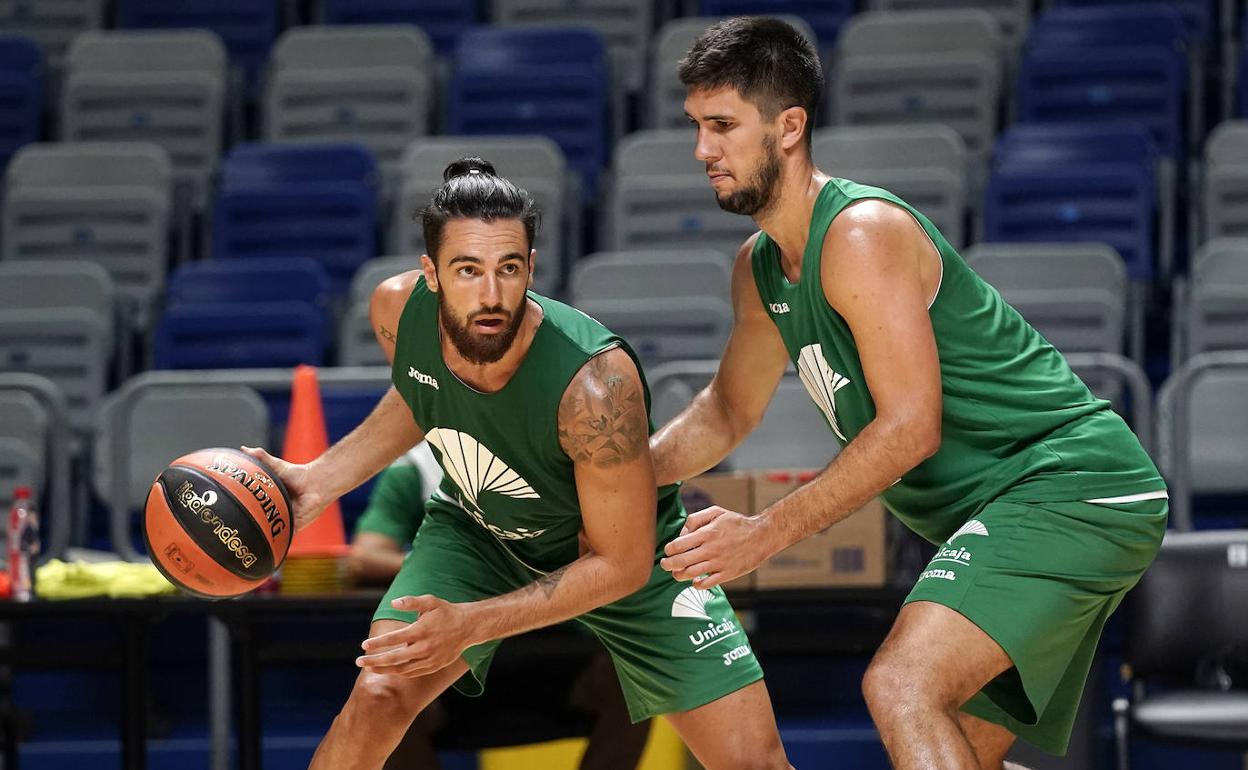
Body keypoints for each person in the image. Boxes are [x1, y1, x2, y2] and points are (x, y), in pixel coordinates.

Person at [651, 16, 1168, 770]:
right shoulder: (759, 268)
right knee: (951, 742)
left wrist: (763, 534)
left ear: (789, 126)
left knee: (902, 685)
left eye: (723, 126)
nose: (703, 150)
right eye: (697, 127)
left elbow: (909, 429)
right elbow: (726, 411)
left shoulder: (860, 233)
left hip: (1070, 487)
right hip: (1012, 509)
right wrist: (615, 476)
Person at [243, 157, 792, 770]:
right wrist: (317, 481)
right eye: (467, 270)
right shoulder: (397, 311)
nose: (491, 295)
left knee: (754, 762)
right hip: (479, 534)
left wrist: (471, 623)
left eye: (508, 269)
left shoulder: (595, 385)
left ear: (531, 268)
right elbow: (421, 393)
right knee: (380, 693)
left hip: (613, 552)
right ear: (430, 274)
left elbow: (621, 563)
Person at [347, 444, 652, 770]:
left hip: (558, 650)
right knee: (383, 696)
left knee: (634, 680)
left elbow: (626, 550)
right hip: (453, 660)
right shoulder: (416, 469)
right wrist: (448, 564)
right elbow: (364, 556)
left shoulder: (572, 453)